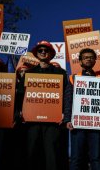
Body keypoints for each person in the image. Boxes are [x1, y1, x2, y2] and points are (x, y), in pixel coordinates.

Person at [23, 40, 72, 170]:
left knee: (52, 156)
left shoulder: (60, 73)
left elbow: (67, 96)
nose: (43, 52)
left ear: (51, 54)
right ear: (36, 54)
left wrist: (65, 115)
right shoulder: (29, 73)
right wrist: (20, 112)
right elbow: (21, 95)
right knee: (32, 154)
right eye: (40, 50)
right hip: (32, 122)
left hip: (53, 122)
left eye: (46, 50)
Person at [64, 48, 100, 170]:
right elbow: (68, 100)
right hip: (78, 124)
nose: (89, 59)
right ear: (80, 61)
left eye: (91, 57)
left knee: (96, 158)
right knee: (76, 158)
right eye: (85, 57)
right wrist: (67, 119)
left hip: (96, 125)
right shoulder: (73, 78)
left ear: (95, 61)